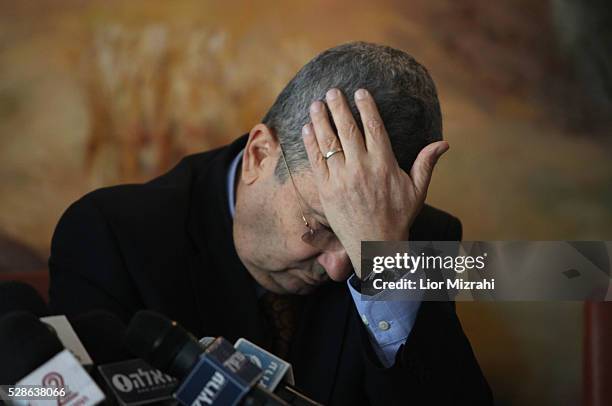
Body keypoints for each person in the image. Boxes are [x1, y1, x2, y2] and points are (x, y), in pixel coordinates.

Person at [49, 42, 493, 405]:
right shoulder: (108, 235)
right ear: (260, 156)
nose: (340, 268)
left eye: (360, 237)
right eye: (322, 224)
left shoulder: (420, 240)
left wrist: (385, 261)